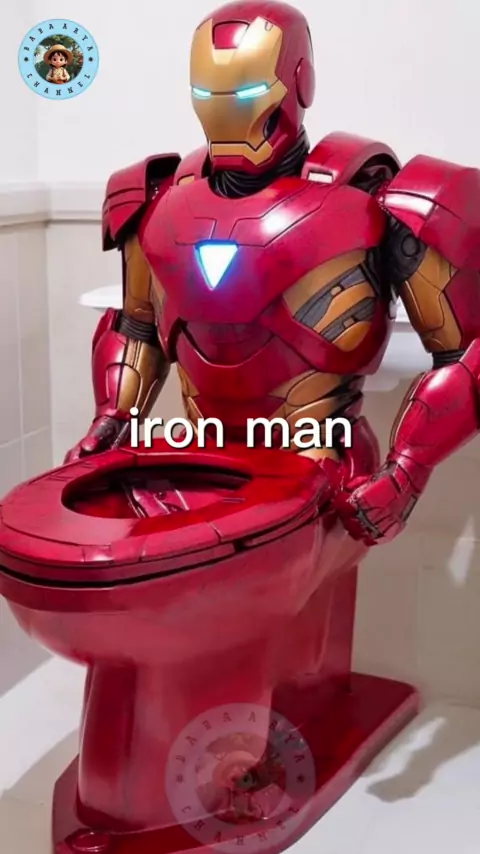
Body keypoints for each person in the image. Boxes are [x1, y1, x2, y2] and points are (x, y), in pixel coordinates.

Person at [65, 0, 480, 546]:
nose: (225, 117)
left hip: (321, 463)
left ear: (299, 82)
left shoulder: (374, 196)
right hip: (199, 459)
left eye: (244, 95)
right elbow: (137, 326)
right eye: (206, 96)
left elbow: (466, 355)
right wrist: (113, 417)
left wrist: (406, 472)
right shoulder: (158, 197)